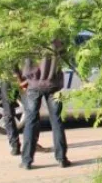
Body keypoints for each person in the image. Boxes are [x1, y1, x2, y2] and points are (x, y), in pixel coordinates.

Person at [15, 39, 71, 170]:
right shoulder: (57, 38)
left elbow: (15, 59)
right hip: (53, 85)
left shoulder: (28, 38)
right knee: (56, 121)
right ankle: (62, 158)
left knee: (31, 121)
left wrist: (20, 78)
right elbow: (65, 58)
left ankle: (26, 161)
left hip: (33, 85)